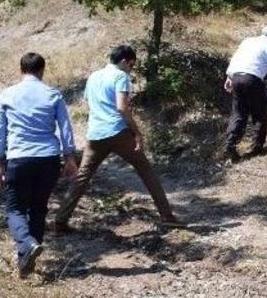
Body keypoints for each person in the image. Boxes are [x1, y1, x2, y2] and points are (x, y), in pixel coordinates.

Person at [53, 45, 181, 233]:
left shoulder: (94, 76)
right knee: (145, 170)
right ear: (123, 61)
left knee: (82, 176)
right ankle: (167, 216)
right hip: (117, 131)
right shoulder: (121, 76)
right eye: (131, 64)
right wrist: (137, 132)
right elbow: (122, 107)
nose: (131, 68)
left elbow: (89, 103)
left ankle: (60, 221)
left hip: (95, 134)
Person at [0, 52, 78, 278]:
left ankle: (27, 245)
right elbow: (65, 129)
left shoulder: (8, 94)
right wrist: (69, 158)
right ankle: (26, 262)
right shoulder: (53, 94)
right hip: (48, 159)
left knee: (15, 209)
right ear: (42, 70)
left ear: (21, 70)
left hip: (19, 158)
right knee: (38, 208)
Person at [223, 25, 267, 162]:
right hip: (252, 80)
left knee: (239, 113)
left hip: (237, 77)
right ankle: (257, 147)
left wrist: (229, 77)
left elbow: (236, 58)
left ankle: (230, 144)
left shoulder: (247, 41)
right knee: (259, 113)